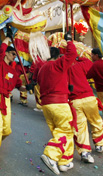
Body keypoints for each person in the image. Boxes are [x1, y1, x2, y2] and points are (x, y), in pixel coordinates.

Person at [35, 33, 77, 175]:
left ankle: (64, 161)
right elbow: (72, 54)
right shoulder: (58, 64)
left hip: (46, 105)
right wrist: (69, 41)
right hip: (59, 103)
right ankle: (51, 155)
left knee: (62, 133)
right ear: (58, 56)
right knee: (65, 131)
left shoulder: (42, 69)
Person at [0, 36, 26, 169]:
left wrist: (28, 87)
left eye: (15, 54)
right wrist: (7, 38)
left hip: (6, 98)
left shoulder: (13, 70)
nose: (14, 56)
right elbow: (0, 52)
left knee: (6, 130)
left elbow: (19, 86)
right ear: (7, 53)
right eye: (13, 53)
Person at [68, 57, 103, 164]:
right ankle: (99, 144)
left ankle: (84, 152)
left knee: (80, 127)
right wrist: (79, 57)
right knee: (96, 121)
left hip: (74, 101)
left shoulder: (62, 70)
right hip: (89, 98)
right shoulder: (79, 65)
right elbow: (89, 63)